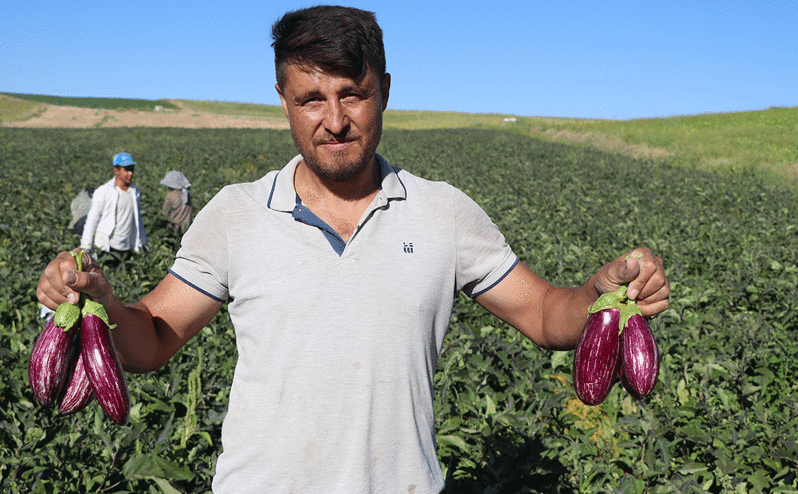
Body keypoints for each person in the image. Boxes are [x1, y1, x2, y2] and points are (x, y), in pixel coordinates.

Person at [37, 6, 670, 493]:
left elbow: (543, 314)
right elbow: (149, 341)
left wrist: (600, 291)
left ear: (385, 90)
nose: (334, 120)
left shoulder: (443, 212)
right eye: (312, 98)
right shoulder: (235, 214)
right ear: (284, 100)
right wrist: (103, 300)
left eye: (353, 93)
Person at [79, 152, 148, 261]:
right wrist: (85, 245)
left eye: (132, 169)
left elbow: (138, 218)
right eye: (126, 170)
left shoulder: (135, 191)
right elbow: (92, 219)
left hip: (128, 246)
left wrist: (143, 241)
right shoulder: (104, 191)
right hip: (107, 247)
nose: (130, 173)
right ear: (116, 170)